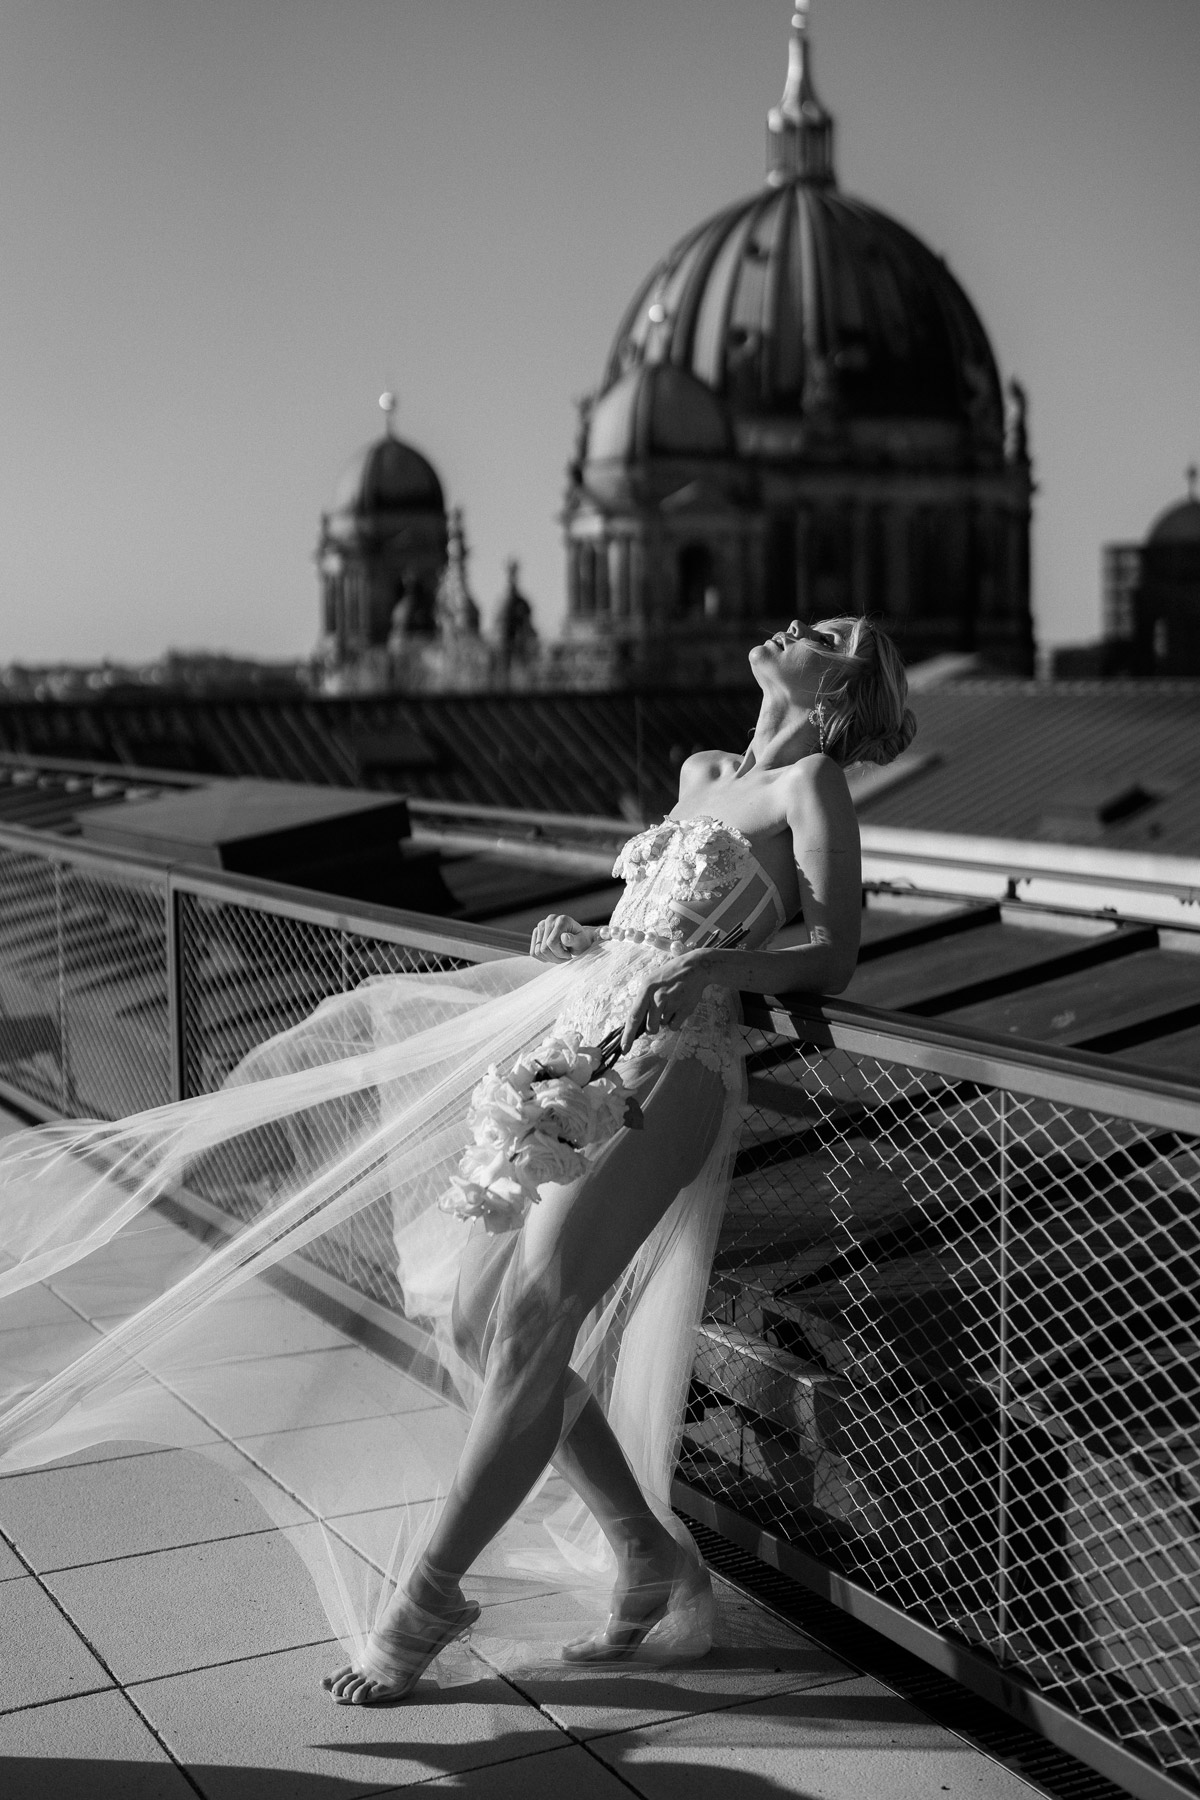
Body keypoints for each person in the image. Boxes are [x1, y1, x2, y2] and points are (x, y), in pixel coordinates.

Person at [0, 614, 915, 1707]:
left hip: (674, 1068)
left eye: (831, 631)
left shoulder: (811, 786)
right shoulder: (705, 771)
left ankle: (427, 1597)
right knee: (476, 1322)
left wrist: (714, 961)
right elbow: (656, 920)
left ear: (841, 689)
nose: (798, 622)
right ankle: (648, 1557)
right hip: (581, 1042)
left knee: (534, 1317)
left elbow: (836, 951)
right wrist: (593, 938)